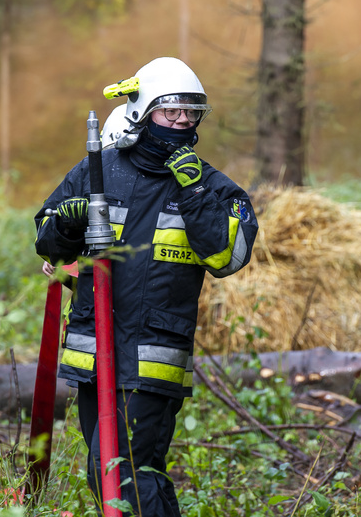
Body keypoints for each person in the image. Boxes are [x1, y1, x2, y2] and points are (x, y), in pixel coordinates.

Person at [34, 57, 258, 516]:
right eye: (170, 110)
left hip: (153, 356)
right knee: (117, 473)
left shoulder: (213, 187)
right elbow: (47, 242)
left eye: (191, 112)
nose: (182, 120)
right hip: (93, 351)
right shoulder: (100, 168)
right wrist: (66, 224)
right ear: (141, 109)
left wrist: (196, 196)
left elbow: (227, 259)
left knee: (123, 470)